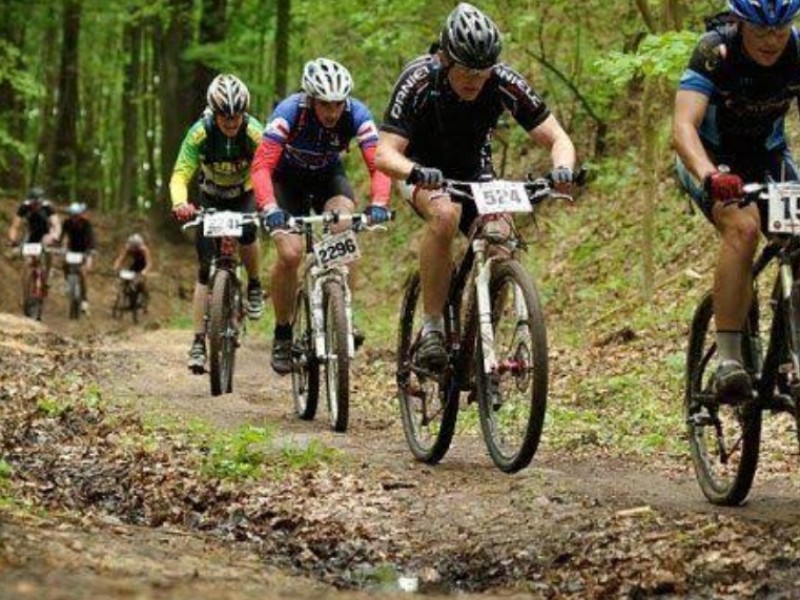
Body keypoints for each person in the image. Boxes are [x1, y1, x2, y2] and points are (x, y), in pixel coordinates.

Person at [374, 2, 576, 371]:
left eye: (482, 71)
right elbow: (384, 153)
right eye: (466, 69)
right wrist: (415, 172)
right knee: (445, 213)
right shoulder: (419, 79)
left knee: (500, 240)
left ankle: (481, 342)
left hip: (475, 175)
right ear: (445, 60)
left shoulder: (503, 81)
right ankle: (433, 328)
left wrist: (562, 169)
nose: (474, 79)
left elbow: (557, 136)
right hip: (421, 169)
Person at [673, 0, 800, 402]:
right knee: (743, 228)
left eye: (780, 30)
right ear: (741, 24)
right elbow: (684, 127)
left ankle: (790, 344)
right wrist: (709, 175)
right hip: (712, 159)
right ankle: (728, 359)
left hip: (767, 157)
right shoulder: (716, 49)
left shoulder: (796, 51)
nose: (772, 40)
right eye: (761, 30)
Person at [252, 57, 392, 375]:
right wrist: (270, 208)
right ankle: (283, 333)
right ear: (311, 99)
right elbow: (262, 166)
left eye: (337, 104)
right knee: (291, 254)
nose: (332, 112)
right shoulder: (289, 112)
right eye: (325, 105)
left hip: (328, 178)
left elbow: (378, 162)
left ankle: (344, 313)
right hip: (287, 183)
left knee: (344, 227)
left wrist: (380, 202)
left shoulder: (357, 114)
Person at [170, 74, 266, 373]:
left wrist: (269, 202)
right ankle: (199, 341)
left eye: (236, 116)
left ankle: (254, 284)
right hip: (210, 197)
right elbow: (180, 173)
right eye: (225, 117)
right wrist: (180, 203)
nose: (231, 122)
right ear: (214, 113)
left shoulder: (254, 131)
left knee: (249, 234)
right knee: (203, 270)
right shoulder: (199, 132)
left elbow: (268, 167)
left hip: (244, 194)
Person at [7, 186, 61, 289]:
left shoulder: (47, 207)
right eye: (33, 203)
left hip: (46, 232)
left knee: (48, 249)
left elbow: (56, 224)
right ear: (29, 201)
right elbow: (15, 226)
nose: (35, 206)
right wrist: (12, 239)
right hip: (32, 233)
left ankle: (48, 274)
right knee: (28, 259)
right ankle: (28, 285)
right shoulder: (24, 207)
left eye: (38, 204)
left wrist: (55, 236)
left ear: (42, 202)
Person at [60, 202, 96, 314]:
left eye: (76, 215)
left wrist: (91, 252)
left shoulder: (86, 224)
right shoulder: (66, 223)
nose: (74, 218)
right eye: (72, 215)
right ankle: (67, 282)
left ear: (80, 215)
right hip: (72, 249)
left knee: (82, 273)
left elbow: (91, 238)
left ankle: (84, 299)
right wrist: (59, 245)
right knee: (65, 264)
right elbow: (62, 235)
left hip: (85, 250)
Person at [113, 233, 152, 310]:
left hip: (143, 266)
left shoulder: (144, 250)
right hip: (135, 265)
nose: (132, 249)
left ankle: (145, 296)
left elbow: (149, 263)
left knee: (140, 282)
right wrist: (116, 266)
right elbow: (121, 258)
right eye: (131, 246)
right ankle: (128, 298)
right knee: (127, 280)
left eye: (134, 247)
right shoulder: (128, 248)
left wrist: (145, 271)